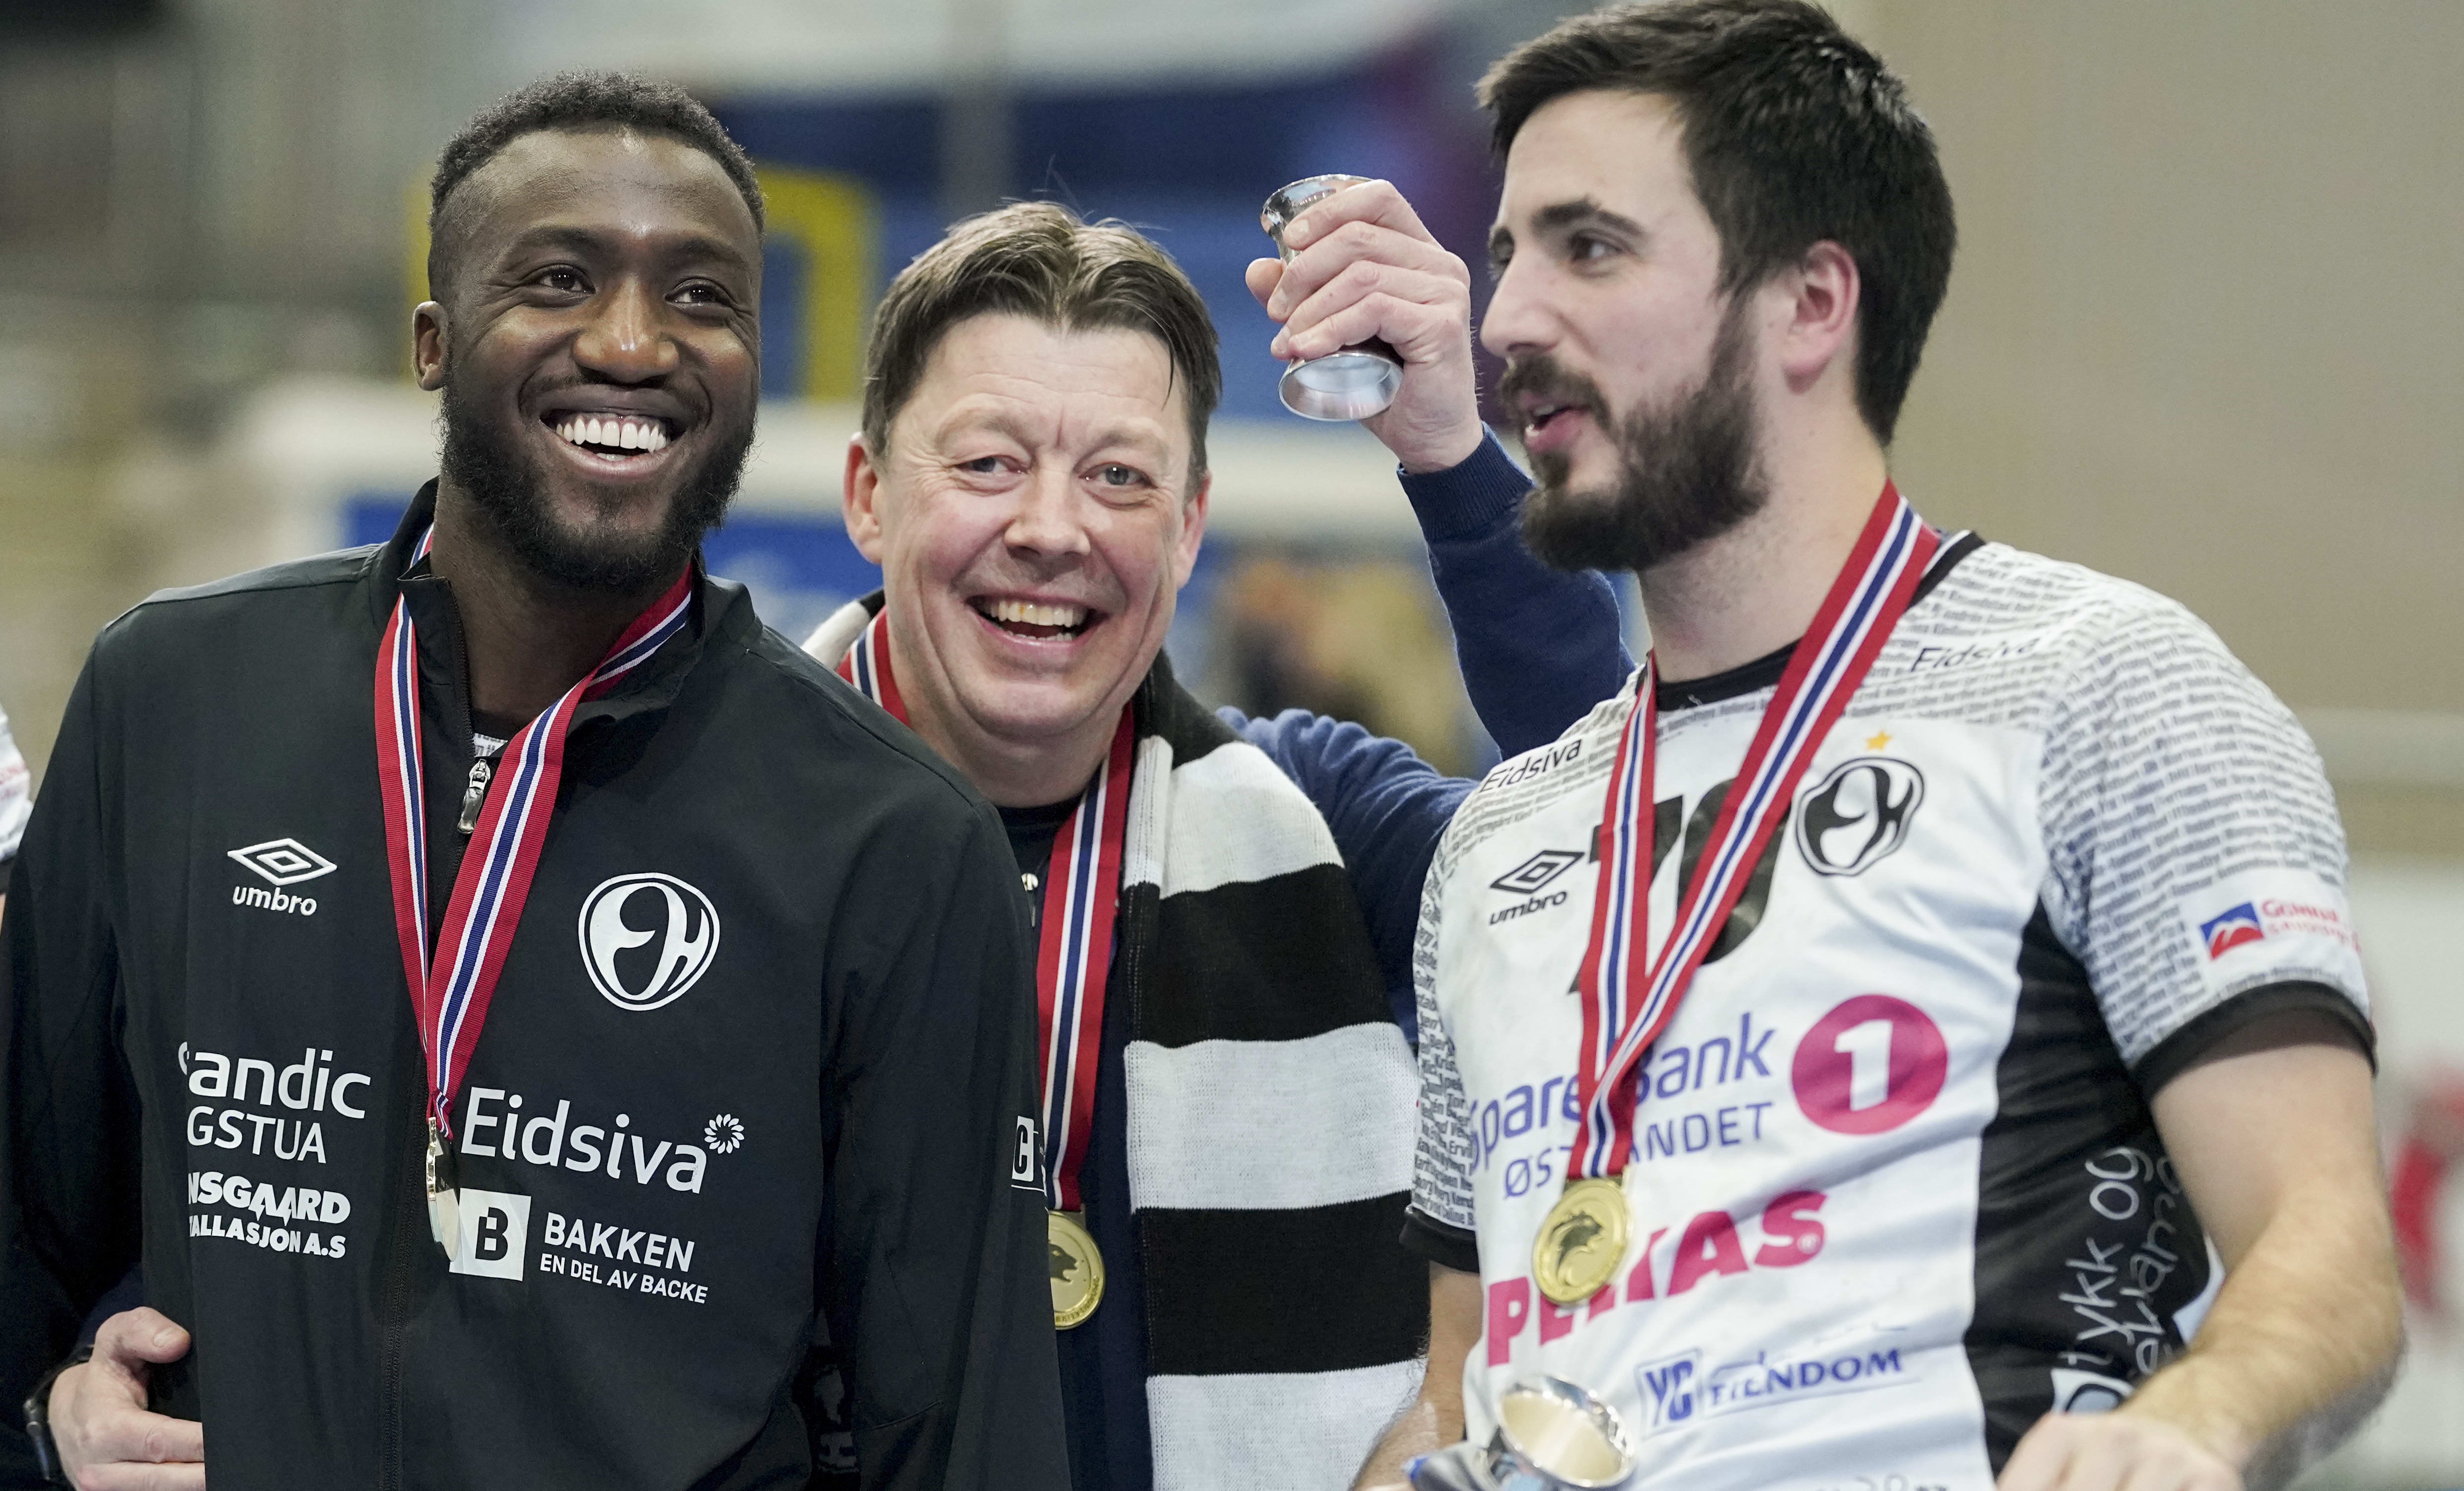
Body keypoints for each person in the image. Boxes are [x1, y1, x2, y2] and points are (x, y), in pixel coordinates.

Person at [1324, 5, 2402, 1490]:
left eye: (1589, 248)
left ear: (1812, 302)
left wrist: (2193, 1421)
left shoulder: (2100, 691)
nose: (1505, 320)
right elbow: (1459, 1391)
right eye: (1508, 254)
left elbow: (2324, 1248)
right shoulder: (1505, 834)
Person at [1, 74, 1068, 1491]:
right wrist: (44, 1421)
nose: (632, 342)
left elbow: (966, 1439)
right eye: (559, 278)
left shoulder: (895, 840)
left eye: (702, 297)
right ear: (434, 344)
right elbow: (24, 1237)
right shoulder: (173, 699)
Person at [801, 201, 1630, 1490]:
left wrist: (1451, 455)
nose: (1052, 529)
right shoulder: (713, 831)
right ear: (869, 495)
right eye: (989, 463)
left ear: (1190, 529)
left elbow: (1623, 835)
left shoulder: (1320, 824)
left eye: (1120, 478)